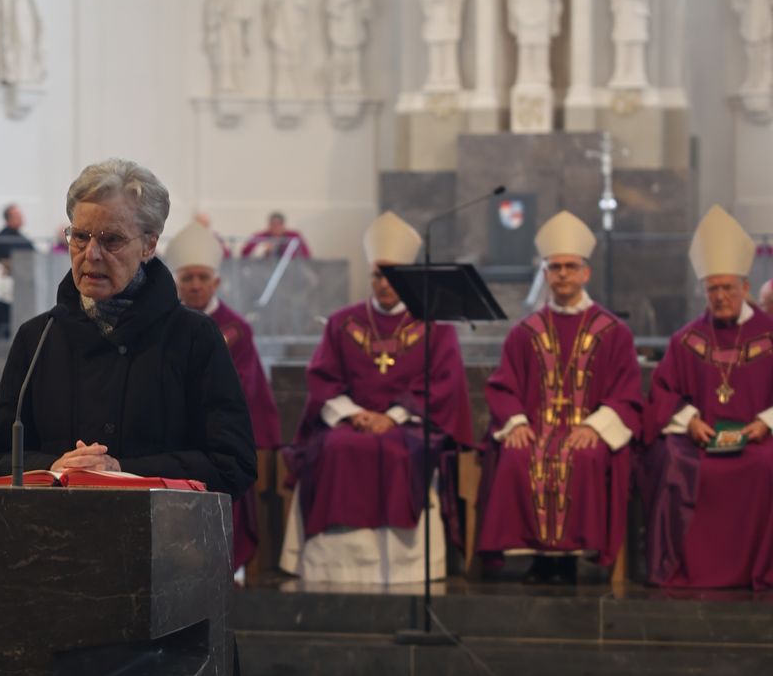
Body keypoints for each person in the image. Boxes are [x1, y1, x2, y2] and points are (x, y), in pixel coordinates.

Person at [0, 158, 256, 676]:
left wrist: (123, 470)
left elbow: (233, 463)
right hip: (56, 592)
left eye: (111, 240)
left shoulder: (193, 339)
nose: (90, 255)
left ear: (150, 244)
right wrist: (58, 467)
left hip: (164, 595)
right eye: (79, 236)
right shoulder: (37, 339)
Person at [281, 212, 473, 587]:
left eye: (393, 275)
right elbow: (323, 377)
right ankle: (335, 566)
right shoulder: (342, 322)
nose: (384, 283)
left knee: (398, 452)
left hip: (409, 426)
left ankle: (403, 567)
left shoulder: (435, 326)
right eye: (377, 275)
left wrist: (395, 416)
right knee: (334, 448)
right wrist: (354, 414)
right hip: (351, 421)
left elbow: (442, 383)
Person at [477, 212, 642, 582]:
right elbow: (503, 385)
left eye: (570, 267)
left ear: (586, 273)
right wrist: (516, 423)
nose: (563, 274)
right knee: (519, 455)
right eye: (555, 267)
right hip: (536, 428)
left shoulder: (613, 332)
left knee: (584, 456)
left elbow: (627, 392)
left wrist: (596, 427)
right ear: (546, 274)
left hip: (586, 428)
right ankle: (540, 558)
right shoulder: (524, 332)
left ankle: (569, 560)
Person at [640, 205, 773, 592]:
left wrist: (765, 422)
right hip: (701, 440)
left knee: (767, 465)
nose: (720, 296)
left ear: (745, 288)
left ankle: (758, 569)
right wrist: (690, 420)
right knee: (673, 462)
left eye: (728, 288)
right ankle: (683, 568)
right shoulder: (685, 339)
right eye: (713, 289)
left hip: (758, 440)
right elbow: (663, 391)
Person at [166, 222, 281, 574]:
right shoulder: (164, 325)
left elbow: (241, 388)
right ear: (176, 283)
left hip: (218, 434)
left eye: (202, 277)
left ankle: (224, 567)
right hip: (171, 433)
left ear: (216, 282)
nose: (195, 285)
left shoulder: (236, 329)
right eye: (187, 278)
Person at [241, 211, 311, 260]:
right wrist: (262, 250)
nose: (276, 228)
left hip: (290, 270)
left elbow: (306, 255)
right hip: (264, 269)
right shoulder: (260, 236)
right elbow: (245, 254)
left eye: (278, 225)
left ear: (283, 225)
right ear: (269, 225)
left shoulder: (294, 236)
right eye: (273, 225)